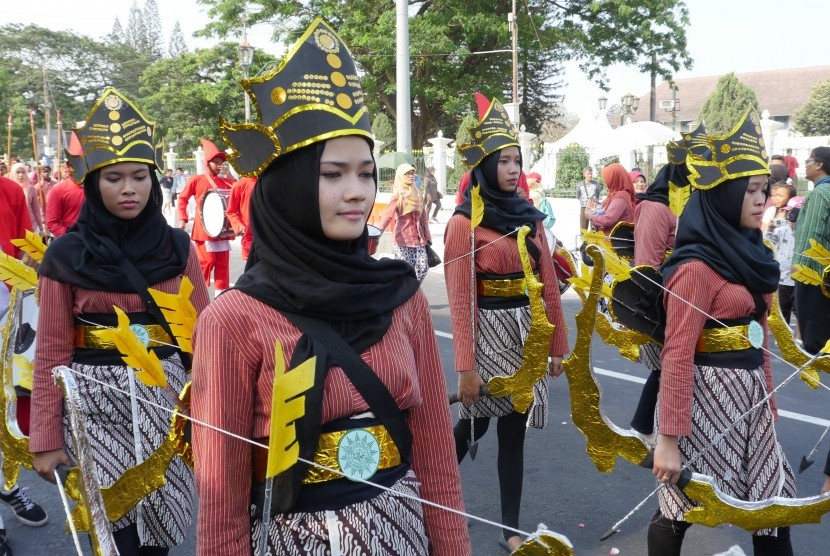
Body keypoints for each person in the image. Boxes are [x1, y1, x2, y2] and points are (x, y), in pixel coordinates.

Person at [191, 18, 469, 556]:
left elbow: (435, 450)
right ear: (290, 185)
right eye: (332, 173)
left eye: (366, 173)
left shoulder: (402, 295)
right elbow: (221, 496)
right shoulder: (233, 321)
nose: (356, 192)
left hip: (403, 531)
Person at [29, 87, 210, 556]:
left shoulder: (177, 248)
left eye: (138, 177)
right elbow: (50, 349)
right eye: (113, 178)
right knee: (114, 537)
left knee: (165, 528)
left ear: (153, 181)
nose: (128, 189)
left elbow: (205, 337)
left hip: (168, 406)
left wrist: (217, 413)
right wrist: (46, 436)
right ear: (93, 184)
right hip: (95, 411)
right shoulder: (66, 254)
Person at [650, 110, 795, 555]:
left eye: (763, 190)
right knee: (679, 513)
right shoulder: (694, 268)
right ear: (724, 195)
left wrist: (768, 400)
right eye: (750, 191)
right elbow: (676, 355)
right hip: (703, 404)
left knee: (773, 513)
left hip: (751, 402)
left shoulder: (756, 254)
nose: (761, 200)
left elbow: (759, 334)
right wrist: (668, 443)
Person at [445, 94, 569, 553]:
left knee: (513, 435)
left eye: (518, 160)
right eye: (505, 160)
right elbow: (459, 301)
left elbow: (549, 282)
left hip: (526, 335)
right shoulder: (464, 224)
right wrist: (466, 367)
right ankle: (420, 493)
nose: (514, 168)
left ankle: (510, 531)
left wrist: (556, 341)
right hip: (487, 335)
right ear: (484, 163)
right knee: (473, 426)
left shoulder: (529, 217)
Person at [0, 171, 47, 556]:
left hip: (6, 315)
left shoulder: (11, 190)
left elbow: (25, 250)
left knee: (5, 410)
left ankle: (7, 484)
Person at [792, 147, 830, 494]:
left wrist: (800, 267)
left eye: (809, 160)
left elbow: (811, 235)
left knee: (814, 340)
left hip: (815, 274)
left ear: (819, 164)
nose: (805, 164)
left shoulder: (820, 192)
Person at [177, 139, 234, 297]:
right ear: (207, 163)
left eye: (221, 162)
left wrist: (229, 175)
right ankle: (195, 296)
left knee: (223, 266)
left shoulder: (226, 181)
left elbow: (240, 191)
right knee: (205, 263)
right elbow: (183, 199)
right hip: (205, 230)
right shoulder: (197, 179)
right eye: (216, 162)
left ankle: (220, 298)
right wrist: (183, 217)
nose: (219, 165)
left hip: (222, 231)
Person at [376, 163, 432, 282]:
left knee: (423, 267)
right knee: (406, 270)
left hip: (419, 238)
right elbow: (387, 215)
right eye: (408, 173)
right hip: (402, 238)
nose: (411, 176)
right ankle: (406, 294)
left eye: (412, 173)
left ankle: (412, 289)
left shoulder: (418, 194)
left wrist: (428, 236)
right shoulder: (398, 195)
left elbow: (423, 218)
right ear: (401, 176)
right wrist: (377, 232)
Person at [766, 195, 801, 325]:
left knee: (799, 310)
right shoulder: (782, 230)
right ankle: (784, 336)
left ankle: (798, 337)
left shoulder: (804, 232)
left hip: (798, 278)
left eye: (793, 213)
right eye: (788, 212)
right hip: (782, 278)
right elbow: (768, 241)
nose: (789, 215)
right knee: (782, 309)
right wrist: (770, 227)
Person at [584, 163, 635, 235]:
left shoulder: (621, 198)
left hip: (614, 240)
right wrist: (594, 209)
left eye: (606, 178)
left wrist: (591, 216)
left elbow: (608, 219)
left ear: (614, 178)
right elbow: (602, 208)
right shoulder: (614, 194)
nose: (604, 181)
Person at [44, 150, 85, 238]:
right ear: (68, 166)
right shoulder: (58, 190)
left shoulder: (99, 187)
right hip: (71, 242)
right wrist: (69, 235)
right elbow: (52, 223)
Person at [225, 175, 256, 260]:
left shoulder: (267, 181)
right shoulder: (240, 185)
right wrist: (238, 225)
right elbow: (230, 211)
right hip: (250, 237)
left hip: (268, 235)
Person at [10, 162, 44, 235]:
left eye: (23, 172)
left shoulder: (31, 189)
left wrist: (41, 227)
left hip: (30, 225)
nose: (20, 175)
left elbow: (36, 210)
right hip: (13, 225)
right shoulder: (8, 188)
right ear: (12, 173)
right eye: (18, 172)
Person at [577, 165, 600, 231]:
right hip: (584, 207)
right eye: (588, 174)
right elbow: (578, 196)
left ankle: (594, 241)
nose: (590, 175)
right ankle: (584, 241)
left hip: (593, 208)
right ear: (584, 175)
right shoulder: (579, 185)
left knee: (594, 228)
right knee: (583, 228)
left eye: (591, 173)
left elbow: (598, 194)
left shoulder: (596, 184)